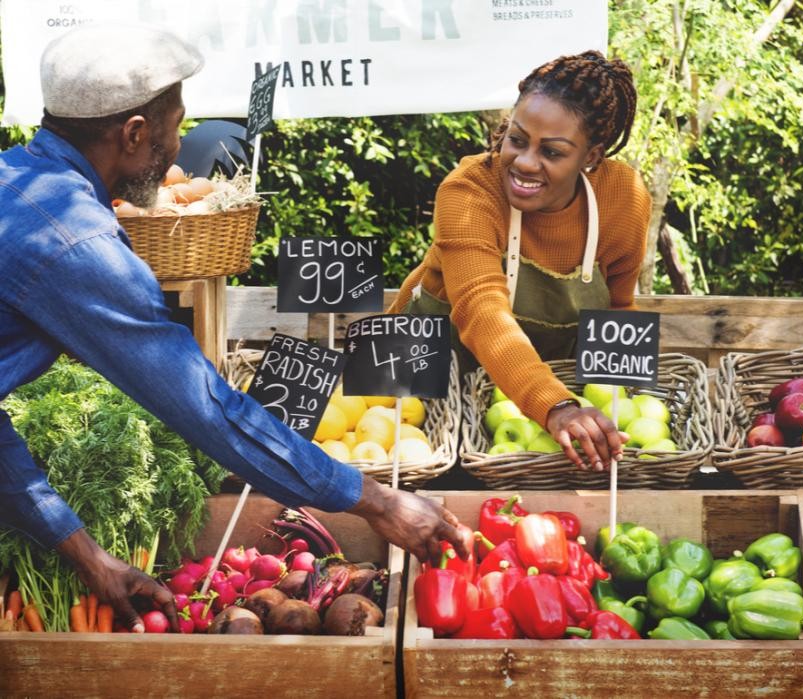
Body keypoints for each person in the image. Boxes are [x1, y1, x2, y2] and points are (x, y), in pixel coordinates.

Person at [0, 23, 465, 633]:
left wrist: (85, 555)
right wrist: (377, 500)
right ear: (135, 134)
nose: (180, 142)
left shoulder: (15, 182)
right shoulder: (77, 244)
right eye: (176, 125)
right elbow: (207, 409)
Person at [391, 50, 652, 472]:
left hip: (525, 409)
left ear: (591, 155)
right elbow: (481, 309)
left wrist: (630, 411)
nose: (526, 163)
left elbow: (618, 309)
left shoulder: (623, 198)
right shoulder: (469, 190)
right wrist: (557, 406)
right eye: (517, 140)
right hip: (417, 393)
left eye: (552, 152)